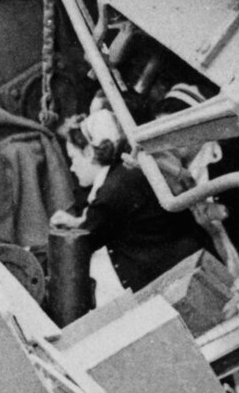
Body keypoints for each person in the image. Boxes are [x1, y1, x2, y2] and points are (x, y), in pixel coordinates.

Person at [48, 107, 217, 292]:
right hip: (199, 260)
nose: (72, 168)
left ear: (89, 152)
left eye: (73, 158)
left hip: (183, 281)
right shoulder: (130, 171)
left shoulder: (112, 191)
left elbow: (84, 241)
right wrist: (77, 221)